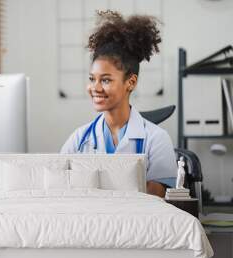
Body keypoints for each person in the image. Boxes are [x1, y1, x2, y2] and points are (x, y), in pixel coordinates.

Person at [60, 10, 176, 198]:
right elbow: (61, 190)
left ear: (130, 82)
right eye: (92, 79)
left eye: (105, 80)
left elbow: (154, 200)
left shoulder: (157, 140)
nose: (95, 88)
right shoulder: (79, 139)